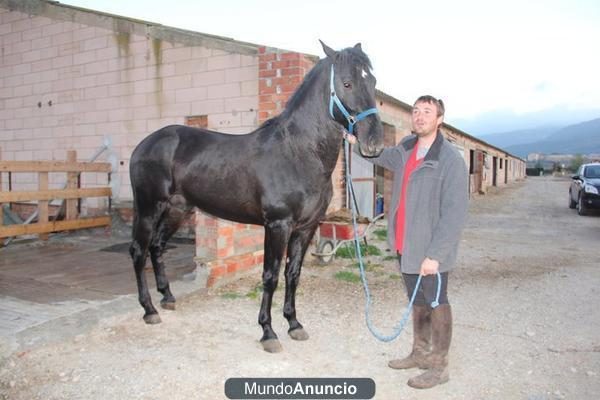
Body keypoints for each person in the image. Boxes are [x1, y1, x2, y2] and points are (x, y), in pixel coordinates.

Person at [355, 95, 468, 389]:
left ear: (439, 119)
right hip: (406, 245)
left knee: (436, 302)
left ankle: (438, 366)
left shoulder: (450, 160)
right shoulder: (406, 148)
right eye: (416, 111)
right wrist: (354, 137)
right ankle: (419, 353)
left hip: (431, 251)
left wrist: (436, 255)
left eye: (426, 112)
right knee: (418, 301)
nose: (419, 117)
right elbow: (376, 155)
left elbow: (454, 216)